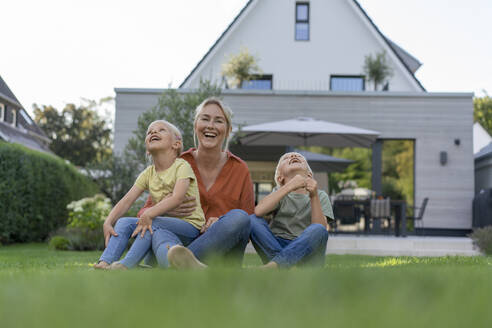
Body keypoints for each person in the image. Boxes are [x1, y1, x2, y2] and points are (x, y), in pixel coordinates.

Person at [134, 97, 254, 269]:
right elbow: (143, 213)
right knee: (162, 231)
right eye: (205, 119)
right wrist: (165, 207)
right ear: (196, 126)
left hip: (220, 252)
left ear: (228, 131)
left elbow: (248, 225)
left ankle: (172, 268)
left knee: (239, 218)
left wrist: (221, 222)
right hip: (178, 242)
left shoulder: (239, 168)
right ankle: (184, 267)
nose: (210, 125)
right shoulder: (177, 163)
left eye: (218, 121)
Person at [94, 120, 205, 269]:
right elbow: (127, 200)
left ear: (176, 144)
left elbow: (177, 198)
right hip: (163, 226)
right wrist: (108, 222)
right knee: (123, 223)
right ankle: (104, 262)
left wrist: (149, 214)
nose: (153, 132)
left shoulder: (182, 166)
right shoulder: (148, 173)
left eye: (161, 130)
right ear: (147, 149)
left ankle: (126, 265)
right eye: (149, 132)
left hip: (190, 226)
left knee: (149, 222)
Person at [250, 152, 333, 269]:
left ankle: (277, 265)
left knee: (319, 229)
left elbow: (320, 228)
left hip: (307, 249)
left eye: (300, 157)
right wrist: (289, 186)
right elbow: (258, 211)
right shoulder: (279, 193)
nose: (294, 156)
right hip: (277, 243)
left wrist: (313, 196)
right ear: (280, 178)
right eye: (286, 158)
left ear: (309, 175)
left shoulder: (320, 196)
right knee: (253, 219)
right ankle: (288, 266)